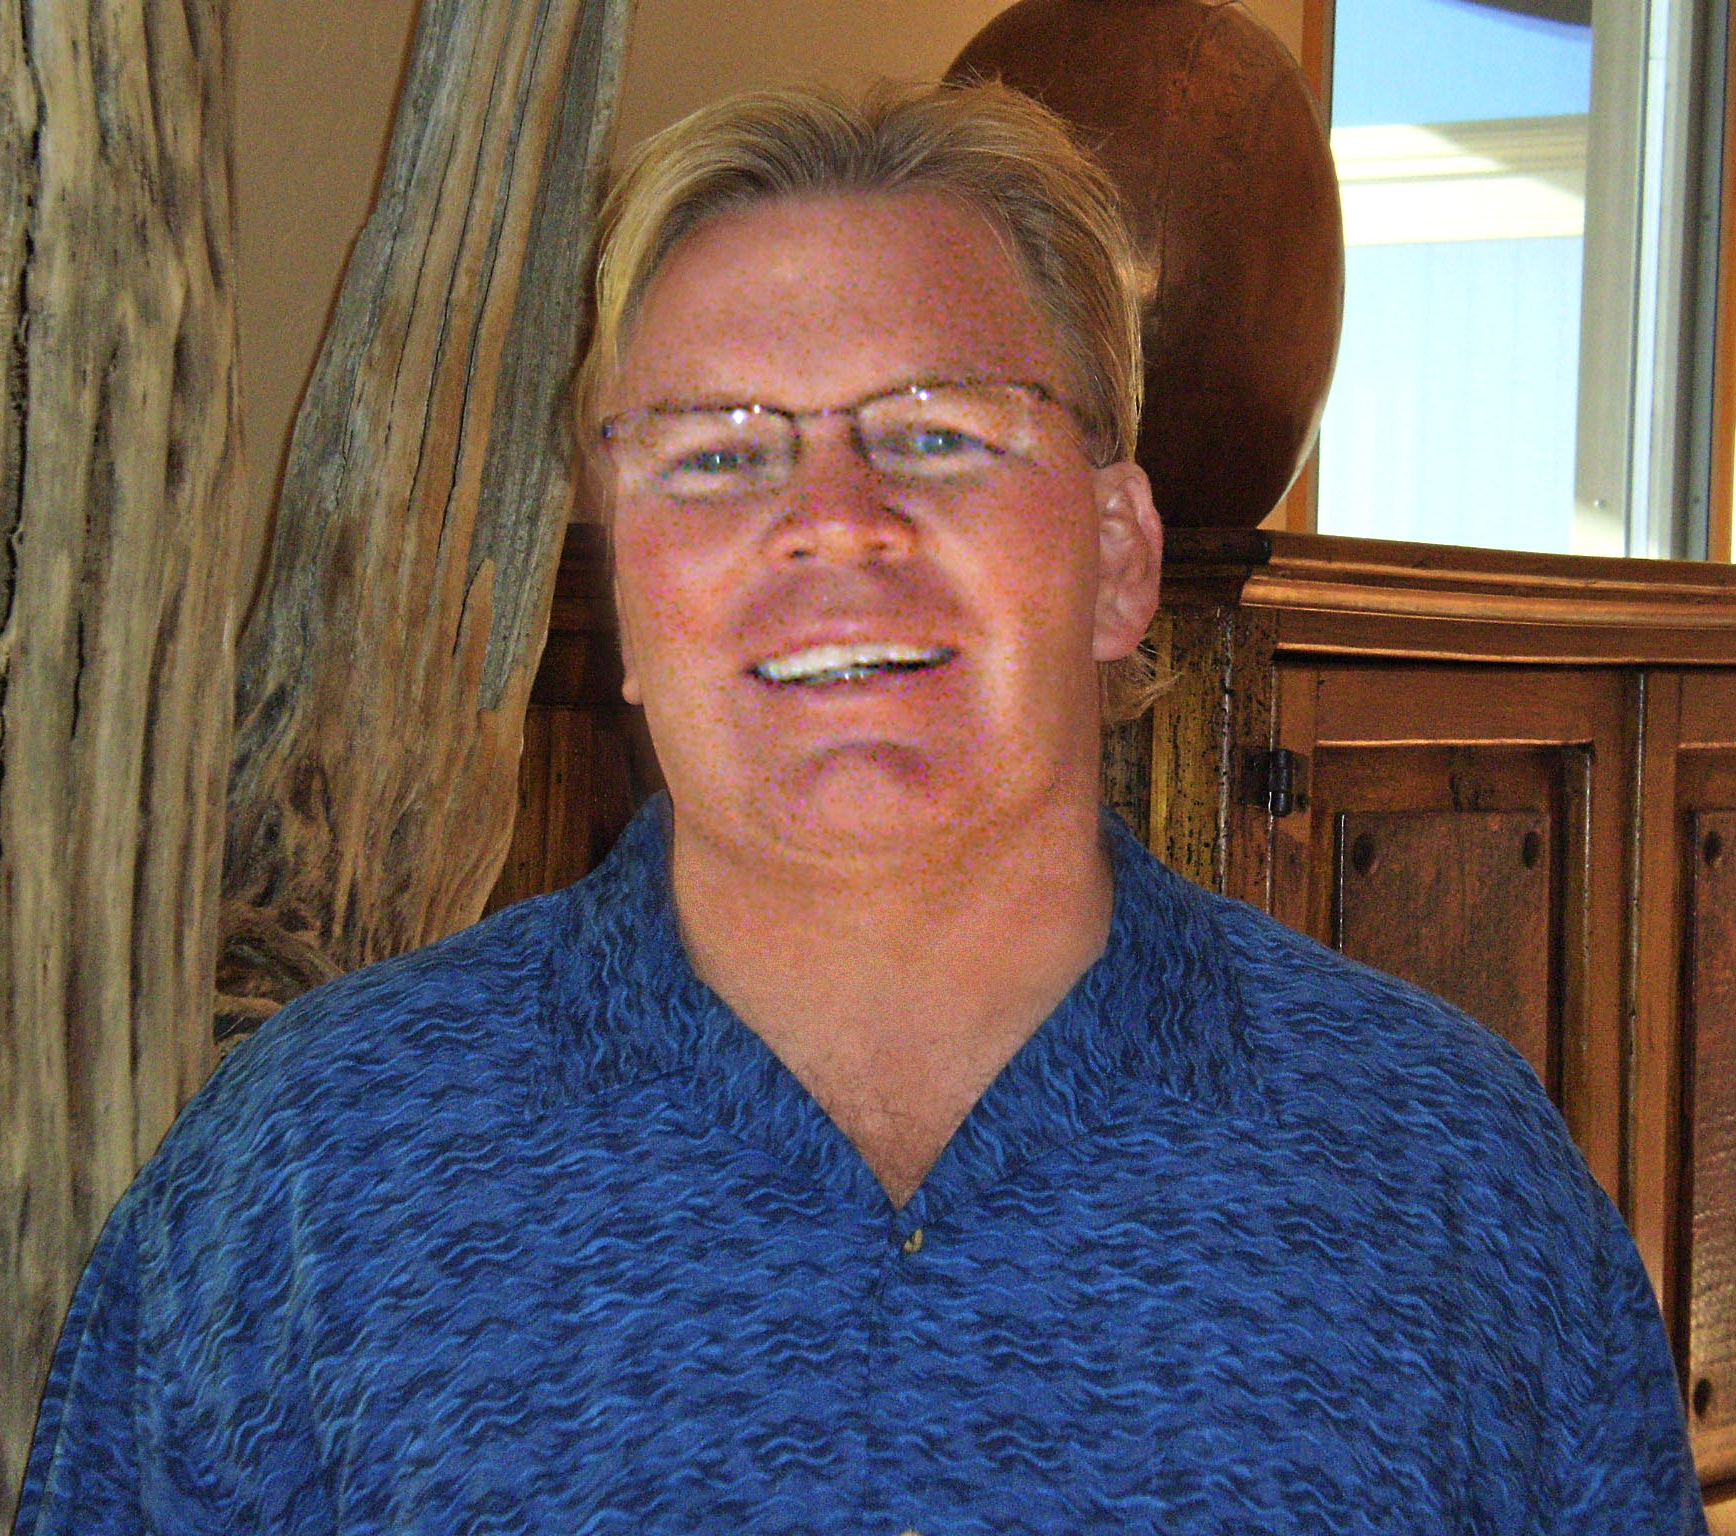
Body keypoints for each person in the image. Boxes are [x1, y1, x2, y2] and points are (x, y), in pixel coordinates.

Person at [15, 82, 1707, 1534]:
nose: (834, 518)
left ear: (1118, 558)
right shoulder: (307, 1177)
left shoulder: (1442, 1175)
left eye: (940, 434)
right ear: (621, 597)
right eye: (716, 455)